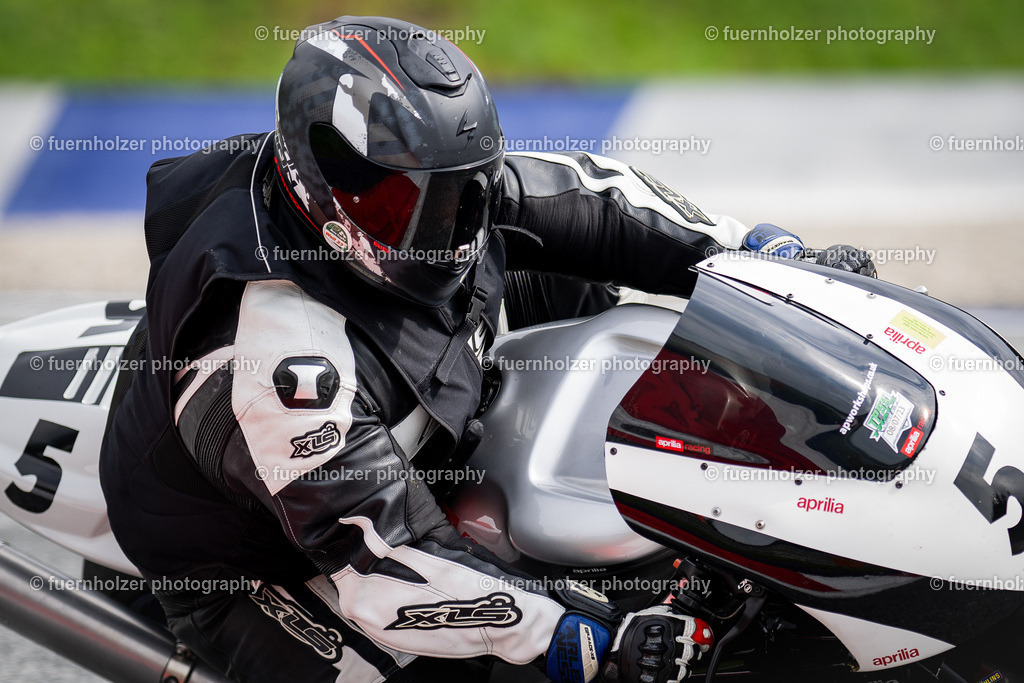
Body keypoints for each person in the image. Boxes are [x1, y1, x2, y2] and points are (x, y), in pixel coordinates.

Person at [99, 15, 874, 683]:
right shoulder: (280, 358)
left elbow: (600, 200)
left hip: (407, 409)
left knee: (571, 269)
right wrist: (583, 637)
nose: (444, 226)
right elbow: (387, 564)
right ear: (320, 179)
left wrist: (763, 258)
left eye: (459, 192)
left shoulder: (438, 192)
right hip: (268, 555)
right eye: (403, 201)